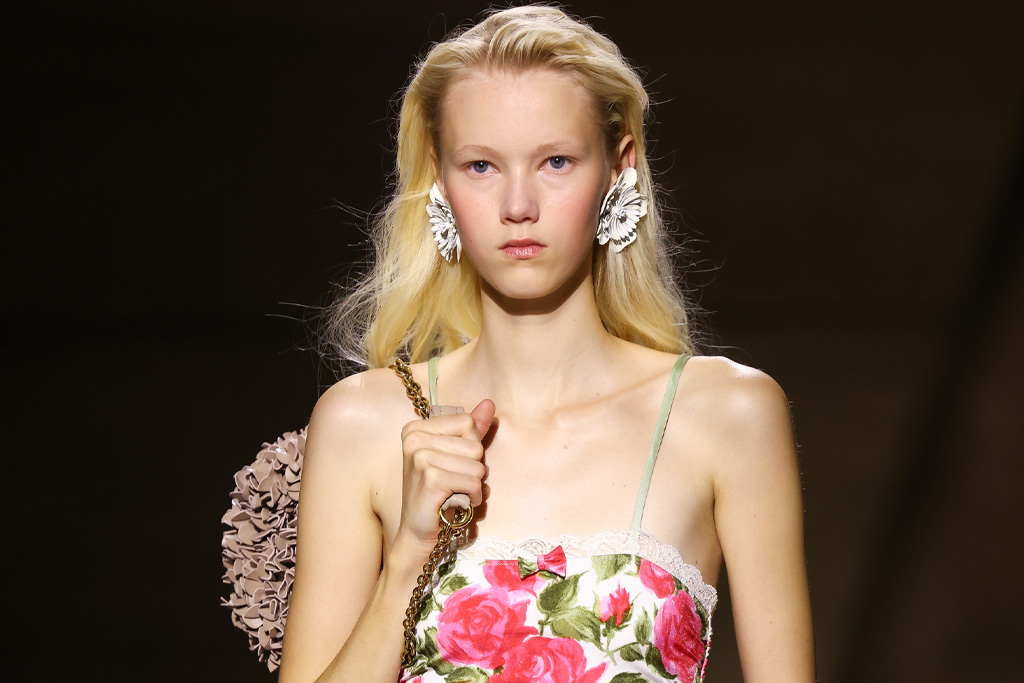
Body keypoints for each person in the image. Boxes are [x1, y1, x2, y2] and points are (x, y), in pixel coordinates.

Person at [279, 5, 814, 682]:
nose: (518, 206)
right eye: (481, 165)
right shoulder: (364, 423)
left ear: (618, 167)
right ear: (439, 178)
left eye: (556, 161)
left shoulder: (726, 415)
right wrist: (409, 557)